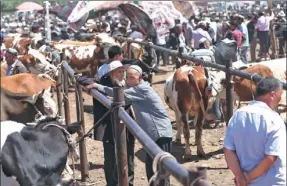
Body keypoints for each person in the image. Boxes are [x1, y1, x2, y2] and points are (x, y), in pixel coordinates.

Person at [85, 65, 173, 186]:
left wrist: (96, 86)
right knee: (152, 172)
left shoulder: (141, 89)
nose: (129, 80)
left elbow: (117, 93)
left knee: (160, 173)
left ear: (140, 78)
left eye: (132, 77)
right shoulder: (137, 88)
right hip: (152, 136)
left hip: (160, 134)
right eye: (128, 77)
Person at [224, 77, 286, 186]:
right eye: (279, 95)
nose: (280, 99)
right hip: (272, 182)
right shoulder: (274, 120)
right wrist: (248, 178)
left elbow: (228, 150)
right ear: (272, 95)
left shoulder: (237, 115)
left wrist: (240, 176)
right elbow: (271, 157)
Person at [82, 60, 135, 186]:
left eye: (123, 71)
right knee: (110, 158)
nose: (122, 74)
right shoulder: (103, 84)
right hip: (109, 128)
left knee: (129, 157)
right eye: (119, 72)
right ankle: (111, 183)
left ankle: (129, 182)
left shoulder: (128, 84)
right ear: (111, 73)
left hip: (127, 127)